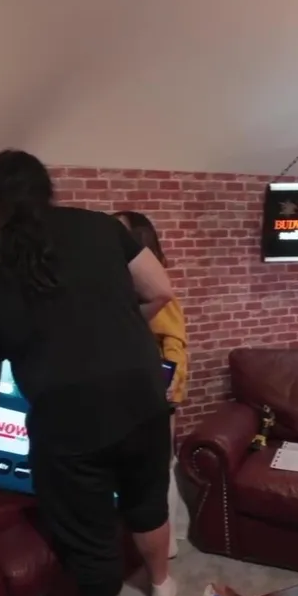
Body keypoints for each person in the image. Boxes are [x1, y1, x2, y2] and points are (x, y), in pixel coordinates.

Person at [0, 150, 180, 596]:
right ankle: (162, 586)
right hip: (141, 393)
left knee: (88, 527)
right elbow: (160, 290)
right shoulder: (102, 227)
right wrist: (120, 326)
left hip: (67, 418)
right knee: (147, 500)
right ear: (47, 188)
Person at [114, 211, 188, 560]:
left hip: (155, 393)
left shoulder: (152, 287)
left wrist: (170, 388)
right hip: (126, 391)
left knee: (159, 468)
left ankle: (168, 541)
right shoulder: (117, 284)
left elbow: (175, 343)